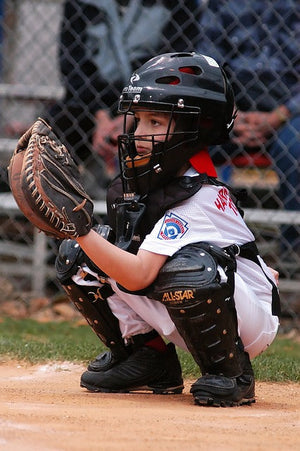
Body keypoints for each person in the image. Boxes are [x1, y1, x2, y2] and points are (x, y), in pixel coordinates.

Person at [55, 52, 280, 407]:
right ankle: (148, 358)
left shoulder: (199, 196)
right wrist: (80, 238)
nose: (140, 133)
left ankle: (230, 371)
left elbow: (140, 274)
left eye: (156, 123)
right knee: (80, 257)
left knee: (188, 269)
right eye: (139, 120)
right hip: (205, 298)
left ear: (198, 128)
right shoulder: (149, 183)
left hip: (247, 322)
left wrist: (80, 228)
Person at [46, 0, 201, 198]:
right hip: (91, 101)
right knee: (55, 130)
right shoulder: (80, 3)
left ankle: (150, 207)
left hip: (151, 100)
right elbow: (73, 65)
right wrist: (101, 115)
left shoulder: (178, 5)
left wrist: (132, 115)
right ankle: (58, 208)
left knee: (163, 127)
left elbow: (174, 65)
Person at [196, 0, 300, 274]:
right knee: (189, 137)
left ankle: (293, 248)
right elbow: (207, 64)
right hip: (233, 104)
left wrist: (280, 115)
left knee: (296, 145)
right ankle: (201, 240)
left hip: (290, 107)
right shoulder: (223, 6)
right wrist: (228, 111)